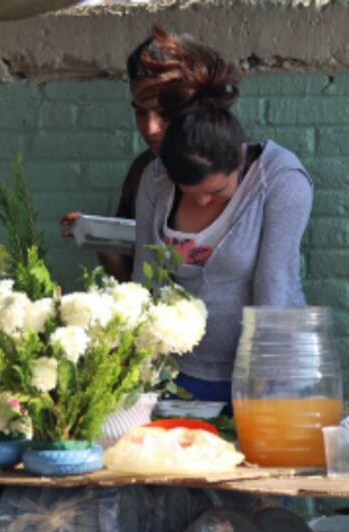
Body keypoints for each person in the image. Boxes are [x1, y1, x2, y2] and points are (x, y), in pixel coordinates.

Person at [131, 49, 313, 403]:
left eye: (215, 191)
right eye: (191, 192)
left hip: (272, 372)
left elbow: (275, 282)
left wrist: (260, 381)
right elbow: (145, 275)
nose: (202, 202)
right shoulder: (156, 178)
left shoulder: (279, 179)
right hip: (182, 373)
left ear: (238, 158)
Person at [61, 27, 222, 282]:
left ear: (197, 103)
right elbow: (131, 286)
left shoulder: (247, 173)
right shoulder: (145, 170)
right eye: (140, 112)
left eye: (164, 113)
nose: (150, 129)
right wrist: (99, 236)